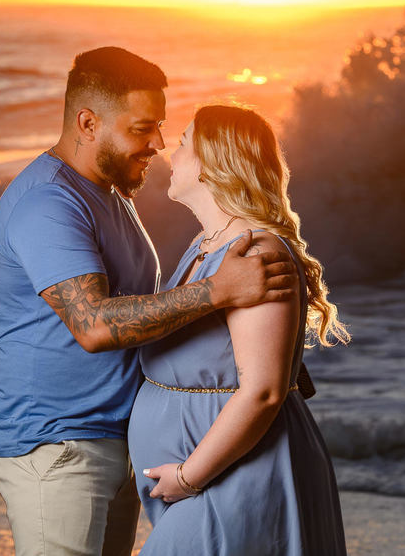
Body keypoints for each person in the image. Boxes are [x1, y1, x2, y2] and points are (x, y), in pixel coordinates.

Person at [0, 47, 297, 556]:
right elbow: (96, 327)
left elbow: (152, 313)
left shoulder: (111, 193)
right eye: (141, 128)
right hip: (59, 447)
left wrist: (267, 352)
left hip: (109, 441)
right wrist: (219, 290)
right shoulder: (47, 203)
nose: (156, 143)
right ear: (88, 123)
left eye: (162, 128)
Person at [129, 104, 348, 555]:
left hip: (232, 474)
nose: (171, 150)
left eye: (184, 142)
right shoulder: (208, 243)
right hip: (207, 474)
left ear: (212, 163)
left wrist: (189, 477)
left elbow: (265, 391)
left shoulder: (255, 252)